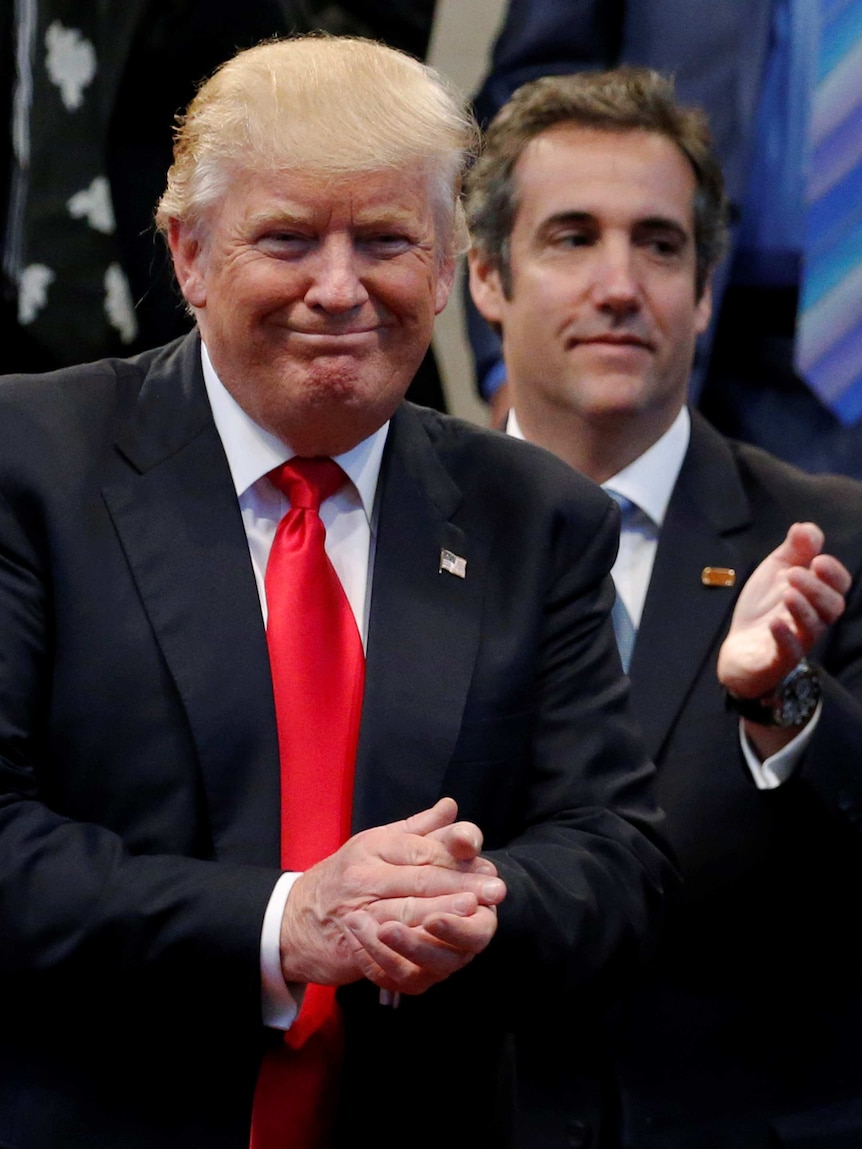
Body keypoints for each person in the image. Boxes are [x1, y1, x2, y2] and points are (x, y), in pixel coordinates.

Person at [0, 38, 674, 1149]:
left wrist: (467, 906)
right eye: (287, 239)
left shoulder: (534, 516)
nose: (338, 287)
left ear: (452, 264)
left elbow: (617, 859)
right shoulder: (32, 464)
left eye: (384, 241)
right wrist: (283, 923)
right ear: (190, 254)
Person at [466, 67, 862, 1148]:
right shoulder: (392, 535)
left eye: (659, 244)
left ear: (703, 287)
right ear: (485, 278)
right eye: (571, 237)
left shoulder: (830, 538)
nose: (619, 285)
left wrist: (785, 698)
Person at [468, 0, 862, 480]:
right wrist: (511, 371)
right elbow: (533, 98)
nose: (617, 287)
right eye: (576, 240)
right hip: (692, 347)